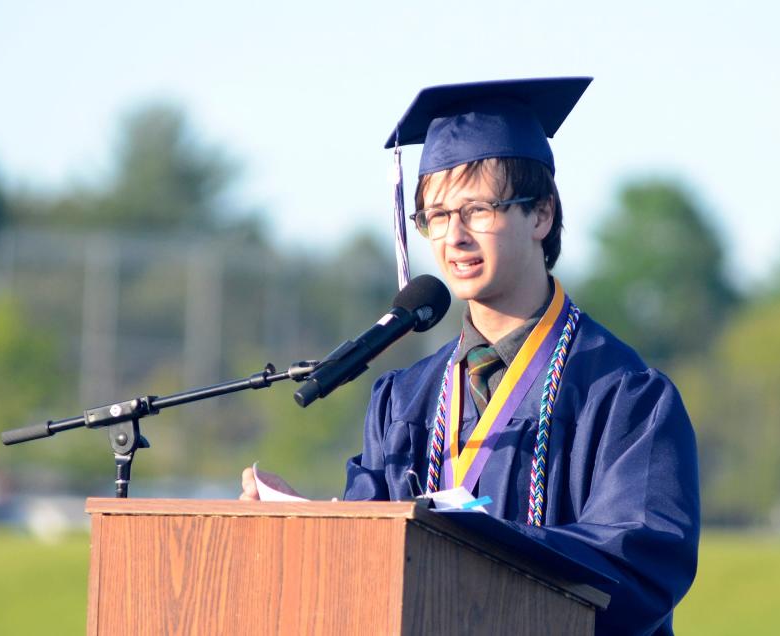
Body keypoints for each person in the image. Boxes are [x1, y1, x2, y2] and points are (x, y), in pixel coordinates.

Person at [242, 77, 700, 635]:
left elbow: (642, 565)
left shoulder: (624, 396)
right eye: (435, 215)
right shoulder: (404, 399)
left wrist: (478, 538)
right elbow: (367, 561)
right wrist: (312, 523)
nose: (452, 237)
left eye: (477, 209)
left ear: (541, 216)